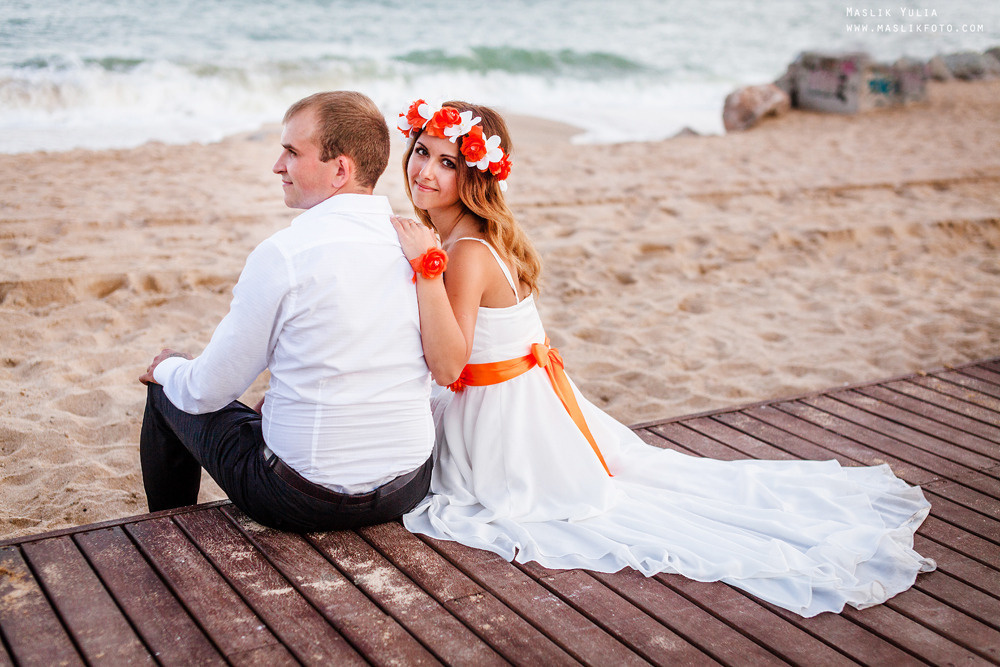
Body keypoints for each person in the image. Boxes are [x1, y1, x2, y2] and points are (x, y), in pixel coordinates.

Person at [389, 98, 936, 617]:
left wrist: (426, 268)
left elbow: (448, 367)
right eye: (421, 151)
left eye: (449, 162)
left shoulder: (461, 253)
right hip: (529, 405)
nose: (426, 171)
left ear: (478, 175)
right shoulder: (486, 235)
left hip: (499, 429)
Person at [137, 91, 434, 532]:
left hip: (307, 501)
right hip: (406, 486)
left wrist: (167, 369)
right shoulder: (419, 248)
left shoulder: (285, 254)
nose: (278, 165)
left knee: (169, 393)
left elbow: (207, 391)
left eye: (292, 152)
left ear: (340, 169)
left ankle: (166, 535)